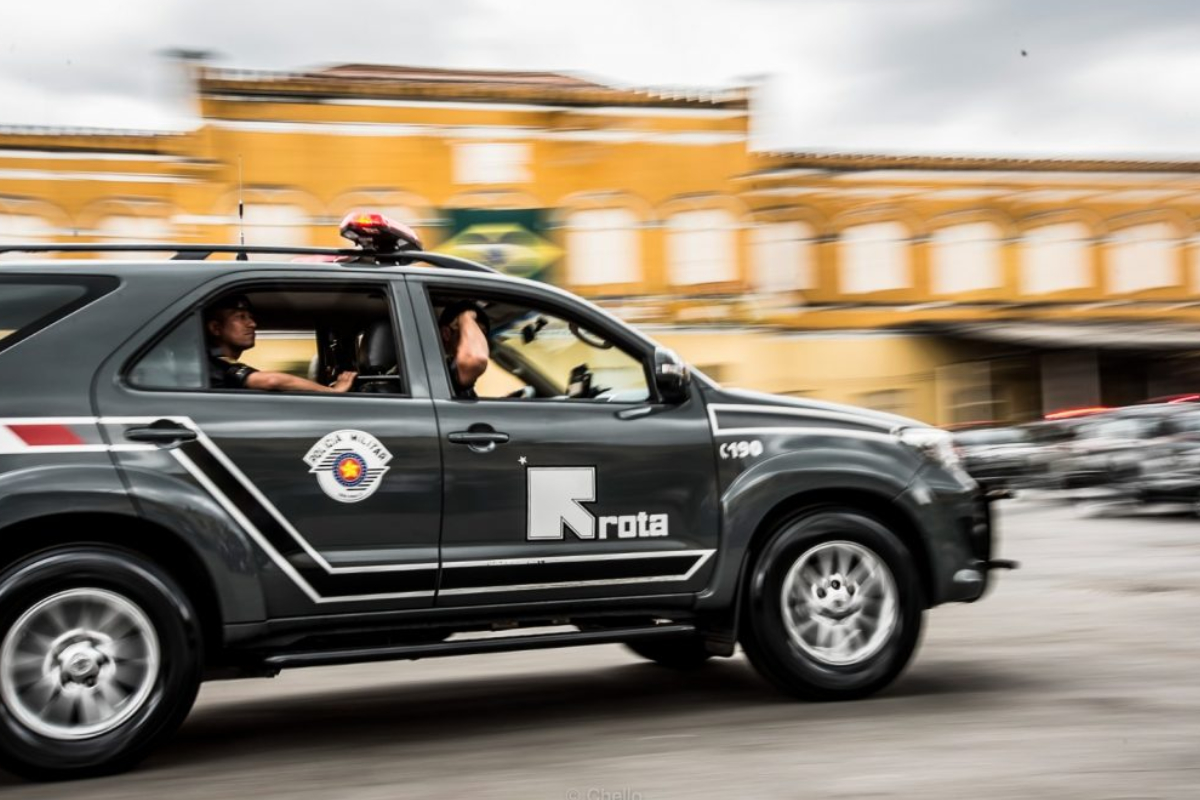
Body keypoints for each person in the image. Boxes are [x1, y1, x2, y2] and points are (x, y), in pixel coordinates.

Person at [204, 294, 357, 392]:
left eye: (250, 317)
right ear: (216, 328)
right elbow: (272, 380)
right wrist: (332, 392)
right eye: (241, 317)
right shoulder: (215, 364)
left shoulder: (218, 363)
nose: (252, 324)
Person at [438, 300, 490, 398]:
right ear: (446, 333)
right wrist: (466, 316)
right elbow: (476, 358)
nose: (478, 341)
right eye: (473, 333)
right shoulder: (439, 370)